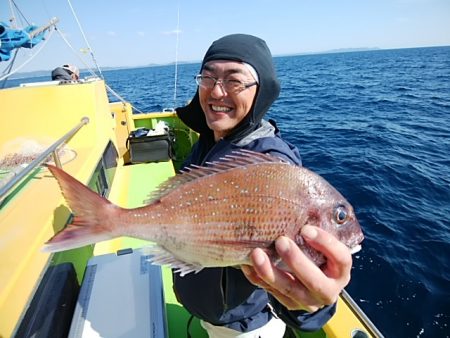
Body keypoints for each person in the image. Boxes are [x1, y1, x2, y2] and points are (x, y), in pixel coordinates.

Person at [175, 34, 352, 337]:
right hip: (209, 314)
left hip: (242, 328)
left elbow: (297, 272)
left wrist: (313, 305)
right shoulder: (209, 140)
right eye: (208, 77)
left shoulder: (270, 160)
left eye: (234, 81)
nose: (217, 91)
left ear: (261, 92)